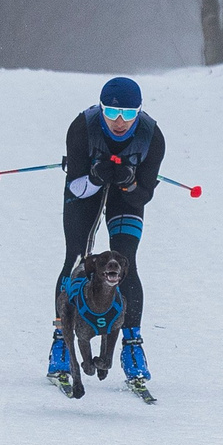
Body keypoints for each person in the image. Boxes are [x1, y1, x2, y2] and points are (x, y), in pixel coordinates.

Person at [48, 76, 165, 387]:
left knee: (125, 261)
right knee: (76, 259)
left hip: (126, 196)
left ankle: (132, 346)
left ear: (139, 112)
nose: (119, 122)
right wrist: (98, 178)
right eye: (111, 114)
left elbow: (143, 196)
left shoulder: (152, 137)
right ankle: (61, 338)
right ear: (100, 110)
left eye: (128, 115)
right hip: (86, 189)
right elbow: (76, 185)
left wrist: (128, 181)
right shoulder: (81, 128)